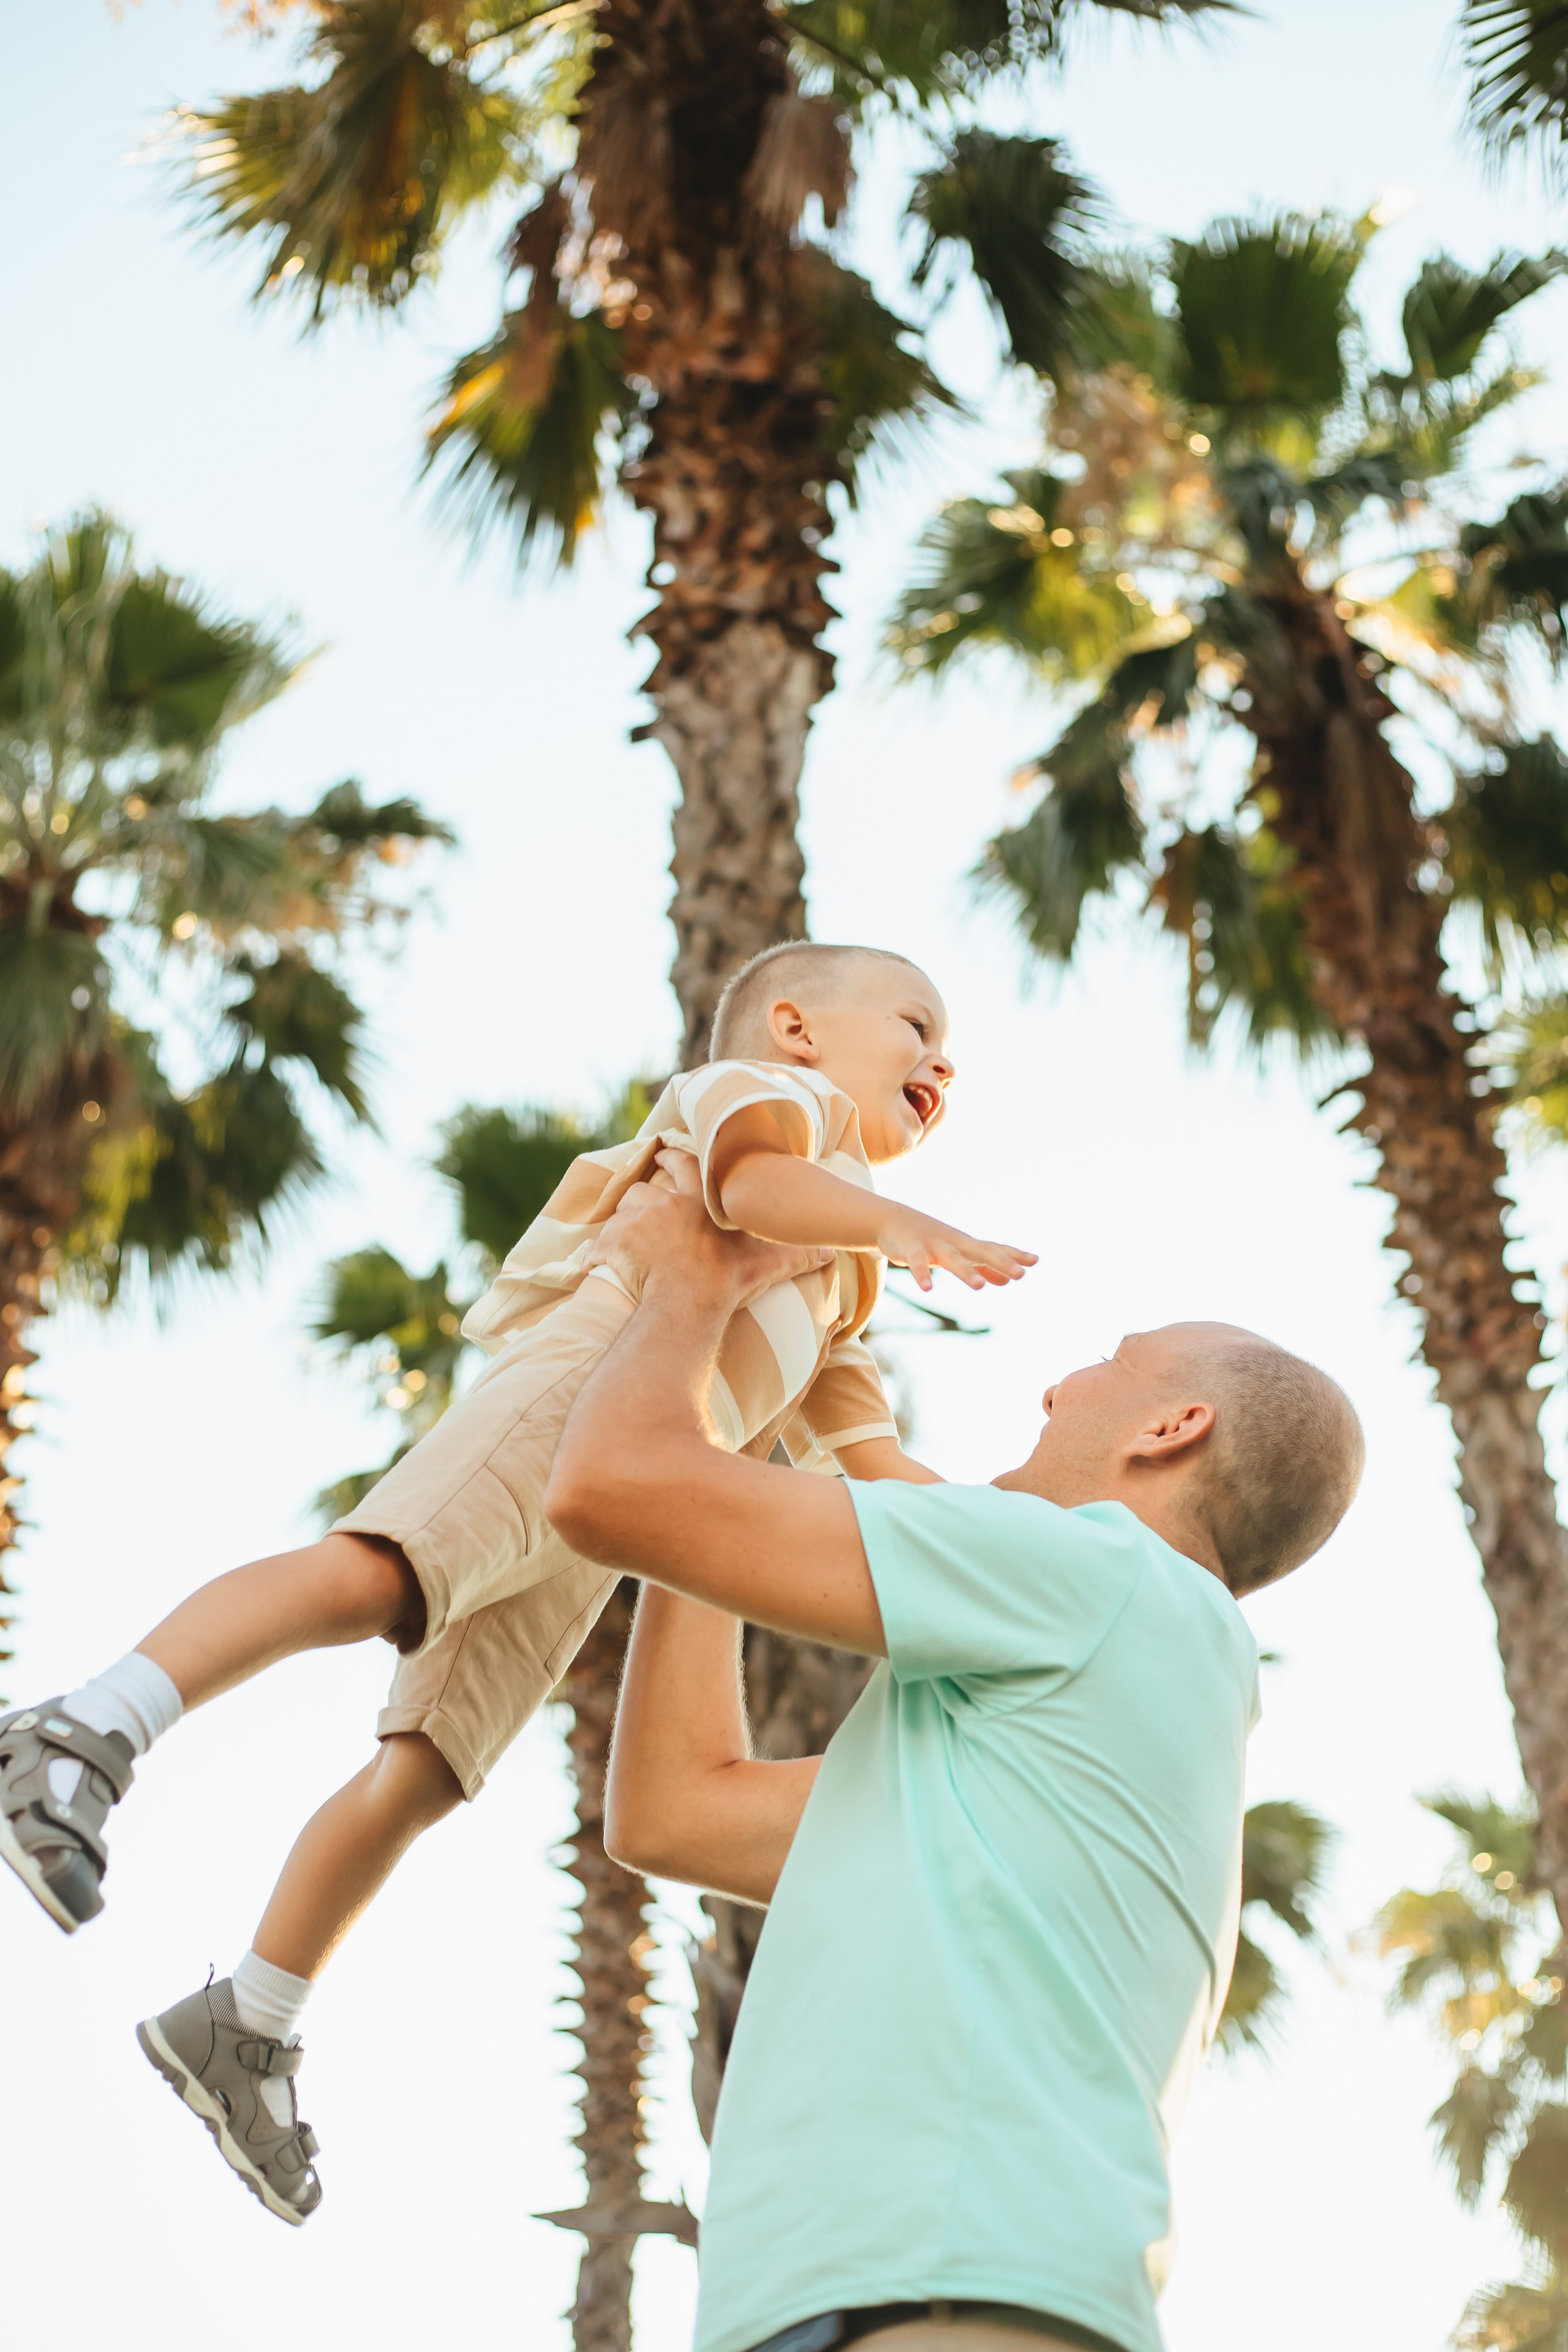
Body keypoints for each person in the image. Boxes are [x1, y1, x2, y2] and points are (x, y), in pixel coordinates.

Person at [0, 943, 1033, 2224]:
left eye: (948, 1048)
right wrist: (891, 1215)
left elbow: (868, 1462)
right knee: (375, 1572)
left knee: (429, 1764)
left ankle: (247, 2024)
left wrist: (1027, 1545)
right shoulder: (771, 1104)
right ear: (795, 1028)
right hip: (574, 1382)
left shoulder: (844, 1283)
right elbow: (747, 1183)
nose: (941, 1059)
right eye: (915, 1023)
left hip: (608, 1508)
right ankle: (91, 1722)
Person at [541, 1163, 1365, 2352]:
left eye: (1106, 1363)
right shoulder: (1064, 1699)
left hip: (951, 2300)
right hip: (856, 2300)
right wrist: (739, 1437)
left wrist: (693, 1292)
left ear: (1170, 1428)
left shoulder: (1104, 1575)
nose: (1054, 1385)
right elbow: (675, 1813)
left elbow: (610, 1487)